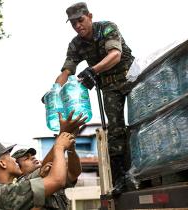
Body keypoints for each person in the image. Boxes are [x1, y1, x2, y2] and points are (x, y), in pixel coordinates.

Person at [54, 2, 135, 196]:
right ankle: (121, 180)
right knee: (115, 131)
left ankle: (140, 169)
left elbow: (115, 55)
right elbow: (67, 71)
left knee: (139, 123)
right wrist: (54, 91)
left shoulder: (107, 27)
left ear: (89, 16)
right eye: (73, 23)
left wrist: (92, 70)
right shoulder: (75, 44)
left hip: (131, 80)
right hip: (108, 87)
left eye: (80, 20)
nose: (77, 26)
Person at [0, 112, 86, 210]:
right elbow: (57, 180)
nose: (13, 160)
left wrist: (68, 146)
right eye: (9, 156)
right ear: (2, 163)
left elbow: (70, 174)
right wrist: (60, 146)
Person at [13, 143, 80, 209]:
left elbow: (73, 174)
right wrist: (60, 144)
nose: (33, 157)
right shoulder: (21, 185)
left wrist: (71, 150)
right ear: (17, 167)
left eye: (33, 156)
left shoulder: (48, 175)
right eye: (27, 158)